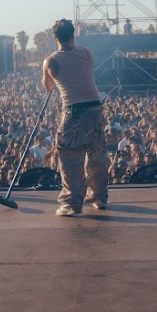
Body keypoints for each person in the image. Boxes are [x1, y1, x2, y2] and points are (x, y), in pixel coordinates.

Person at [42, 18, 109, 216]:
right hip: (95, 110)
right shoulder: (86, 53)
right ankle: (98, 197)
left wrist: (45, 71)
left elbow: (48, 87)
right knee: (96, 154)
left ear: (55, 38)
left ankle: (72, 203)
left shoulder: (51, 60)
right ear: (73, 34)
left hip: (74, 111)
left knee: (70, 157)